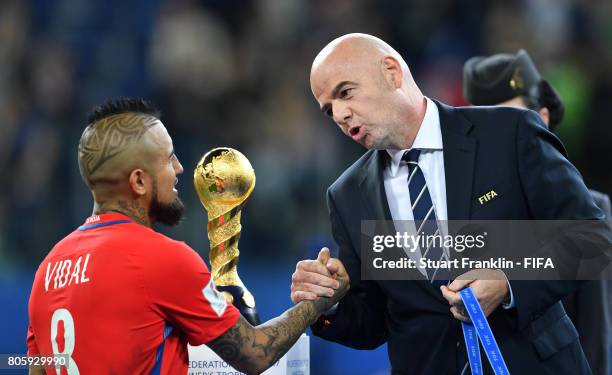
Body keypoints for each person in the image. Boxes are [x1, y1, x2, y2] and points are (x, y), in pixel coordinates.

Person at [290, 33, 611, 374]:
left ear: (391, 72)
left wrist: (507, 282)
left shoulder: (508, 134)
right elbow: (373, 320)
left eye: (345, 92)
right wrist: (329, 302)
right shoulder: (347, 195)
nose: (340, 113)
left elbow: (591, 239)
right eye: (329, 109)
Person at [26, 97, 349, 375]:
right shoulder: (161, 258)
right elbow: (255, 353)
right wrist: (320, 299)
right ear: (139, 182)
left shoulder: (48, 270)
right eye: (168, 159)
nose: (180, 168)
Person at [462, 49, 611, 375]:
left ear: (540, 120)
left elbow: (594, 333)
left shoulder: (591, 209)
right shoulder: (460, 211)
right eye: (482, 124)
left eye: (508, 121)